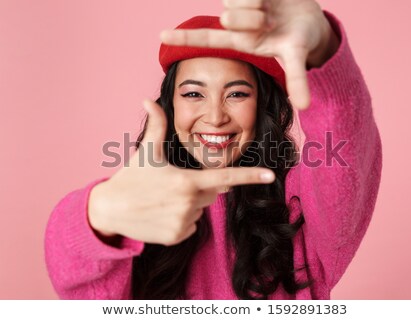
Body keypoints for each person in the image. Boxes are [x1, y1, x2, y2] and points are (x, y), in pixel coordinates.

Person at [45, 0, 382, 300]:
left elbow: (345, 152)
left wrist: (321, 47)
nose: (216, 117)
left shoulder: (298, 209)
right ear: (170, 106)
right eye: (193, 94)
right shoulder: (138, 205)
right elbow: (76, 280)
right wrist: (102, 212)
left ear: (263, 107)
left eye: (237, 94)